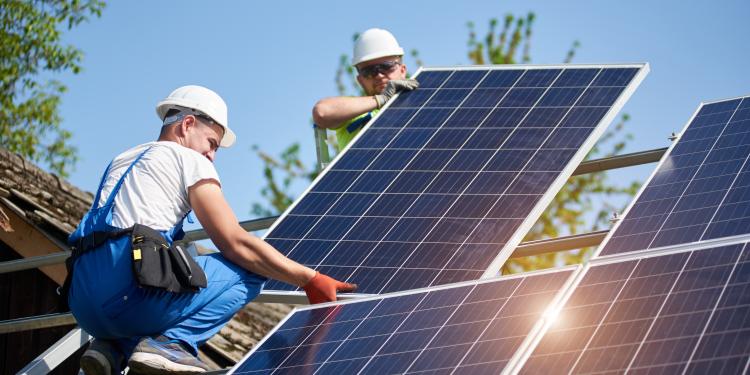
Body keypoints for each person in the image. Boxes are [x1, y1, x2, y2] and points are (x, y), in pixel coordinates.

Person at [65, 85, 357, 374]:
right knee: (253, 268)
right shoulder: (189, 160)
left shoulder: (124, 159)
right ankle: (173, 345)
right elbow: (235, 242)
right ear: (188, 124)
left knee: (181, 255)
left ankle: (112, 348)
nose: (212, 156)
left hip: (83, 303)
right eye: (212, 143)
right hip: (128, 295)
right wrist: (310, 278)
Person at [312, 28, 419, 151]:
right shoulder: (353, 111)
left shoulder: (425, 105)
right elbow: (322, 112)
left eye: (386, 66)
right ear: (360, 80)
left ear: (402, 70)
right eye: (369, 71)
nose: (379, 75)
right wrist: (382, 99)